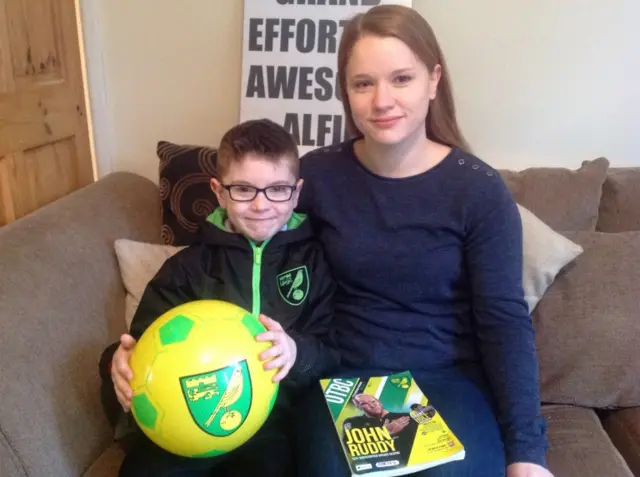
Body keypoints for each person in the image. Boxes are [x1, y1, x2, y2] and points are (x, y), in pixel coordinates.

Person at [292, 4, 554, 477]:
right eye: (363, 83)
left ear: (433, 80)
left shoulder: (478, 189)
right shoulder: (315, 175)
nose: (382, 101)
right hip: (345, 376)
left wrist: (528, 453)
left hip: (449, 379)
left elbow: (504, 323)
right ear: (346, 92)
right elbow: (255, 260)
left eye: (401, 79)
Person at [102, 118, 339, 477]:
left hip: (270, 424)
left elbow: (332, 351)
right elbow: (142, 341)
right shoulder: (187, 268)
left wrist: (296, 352)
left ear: (296, 191)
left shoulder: (316, 263)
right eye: (243, 189)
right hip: (187, 419)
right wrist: (118, 361)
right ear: (218, 191)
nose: (261, 205)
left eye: (277, 189)